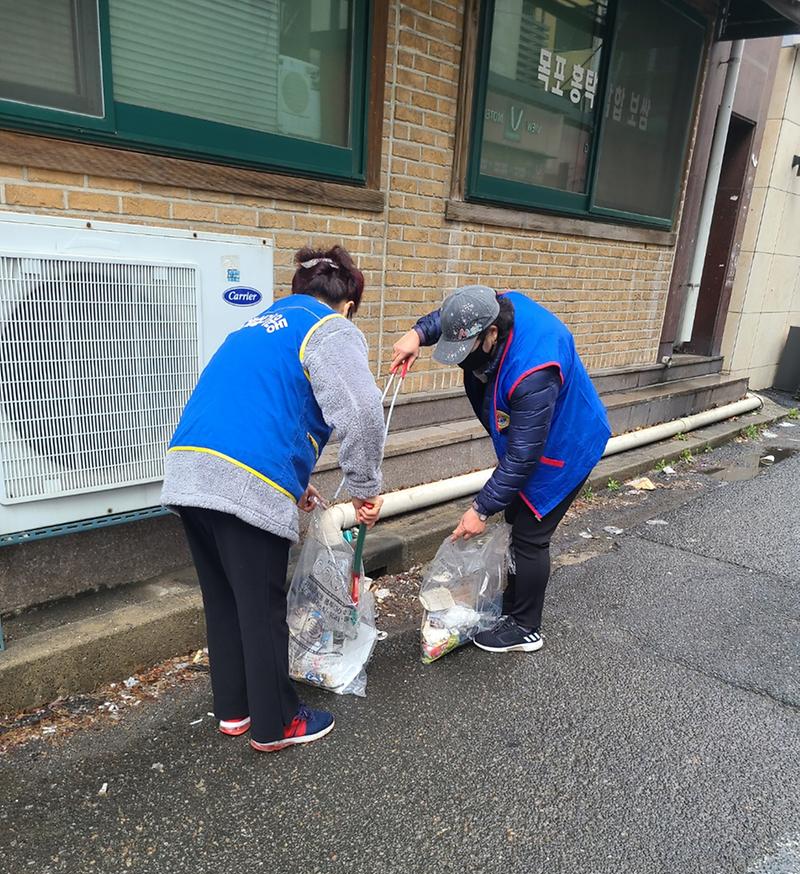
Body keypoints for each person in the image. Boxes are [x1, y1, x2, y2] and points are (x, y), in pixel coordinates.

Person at [162, 246, 384, 752]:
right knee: (262, 605)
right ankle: (277, 723)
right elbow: (363, 411)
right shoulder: (329, 328)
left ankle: (235, 712)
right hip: (241, 477)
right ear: (347, 300)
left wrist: (296, 482)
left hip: (189, 467)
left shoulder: (255, 324)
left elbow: (253, 411)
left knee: (223, 599)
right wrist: (367, 488)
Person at [391, 285, 610, 654]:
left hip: (565, 445)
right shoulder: (490, 305)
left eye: (466, 351)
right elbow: (452, 317)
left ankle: (526, 627)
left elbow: (524, 457)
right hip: (534, 437)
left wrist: (479, 510)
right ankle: (511, 607)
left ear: (491, 333)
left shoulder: (532, 372)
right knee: (513, 520)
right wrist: (418, 334)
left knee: (530, 534)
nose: (461, 360)